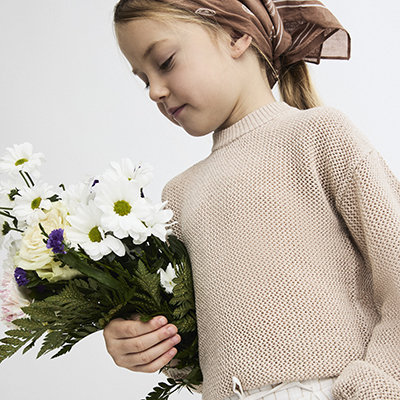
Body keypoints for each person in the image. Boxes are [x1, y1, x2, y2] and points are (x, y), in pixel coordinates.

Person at [103, 1, 400, 399]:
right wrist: (144, 342)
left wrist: (373, 388)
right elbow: (198, 356)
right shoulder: (177, 197)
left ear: (236, 35)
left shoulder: (319, 136)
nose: (156, 91)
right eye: (144, 80)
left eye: (166, 62)